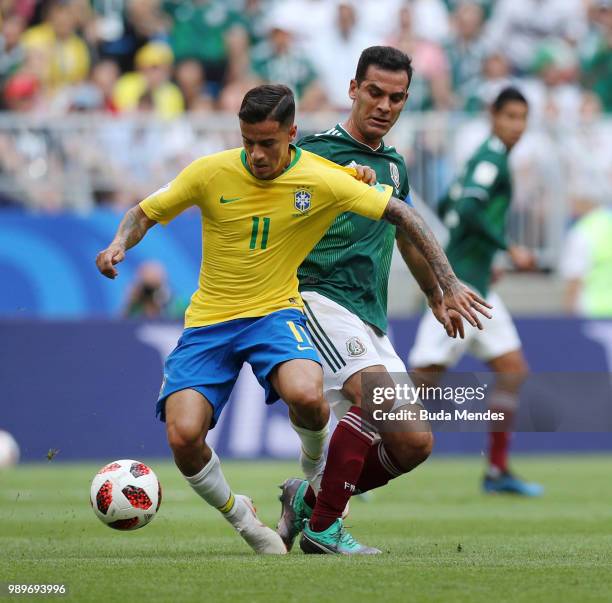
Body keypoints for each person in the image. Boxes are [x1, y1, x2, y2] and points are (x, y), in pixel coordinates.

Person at [96, 84, 490, 555]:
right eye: (248, 143)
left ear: (290, 135)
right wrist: (120, 243)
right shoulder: (210, 172)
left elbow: (401, 215)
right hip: (210, 323)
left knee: (318, 399)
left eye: (267, 143)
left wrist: (445, 284)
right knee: (183, 437)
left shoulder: (323, 176)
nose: (257, 155)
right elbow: (144, 212)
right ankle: (248, 520)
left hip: (276, 313)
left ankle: (313, 493)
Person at [276, 45, 465, 552]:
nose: (384, 105)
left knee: (413, 443)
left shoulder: (395, 167)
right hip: (317, 298)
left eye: (397, 98)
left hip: (369, 316)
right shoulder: (314, 153)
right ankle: (324, 530)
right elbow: (279, 208)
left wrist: (433, 294)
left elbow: (404, 235)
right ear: (353, 89)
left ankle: (308, 502)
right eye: (375, 93)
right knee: (371, 400)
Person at [409, 87, 543, 496]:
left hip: (479, 283)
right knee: (420, 380)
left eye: (522, 117)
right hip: (461, 288)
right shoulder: (490, 159)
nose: (516, 125)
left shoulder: (483, 159)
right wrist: (507, 247)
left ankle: (497, 471)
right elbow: (468, 209)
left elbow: (453, 202)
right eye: (510, 116)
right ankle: (355, 455)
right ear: (493, 116)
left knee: (513, 370)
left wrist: (487, 259)